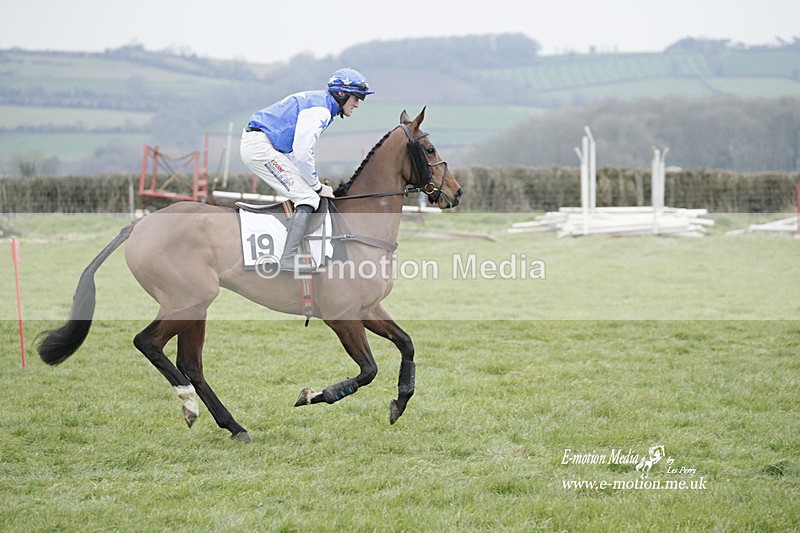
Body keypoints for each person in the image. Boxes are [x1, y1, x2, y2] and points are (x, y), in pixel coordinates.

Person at [240, 68, 374, 273]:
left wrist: (313, 184)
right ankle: (287, 259)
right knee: (308, 197)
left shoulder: (321, 104)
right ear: (342, 94)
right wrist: (317, 186)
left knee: (307, 193)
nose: (357, 104)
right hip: (260, 147)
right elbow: (303, 154)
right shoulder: (320, 110)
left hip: (265, 145)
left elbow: (297, 153)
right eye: (356, 98)